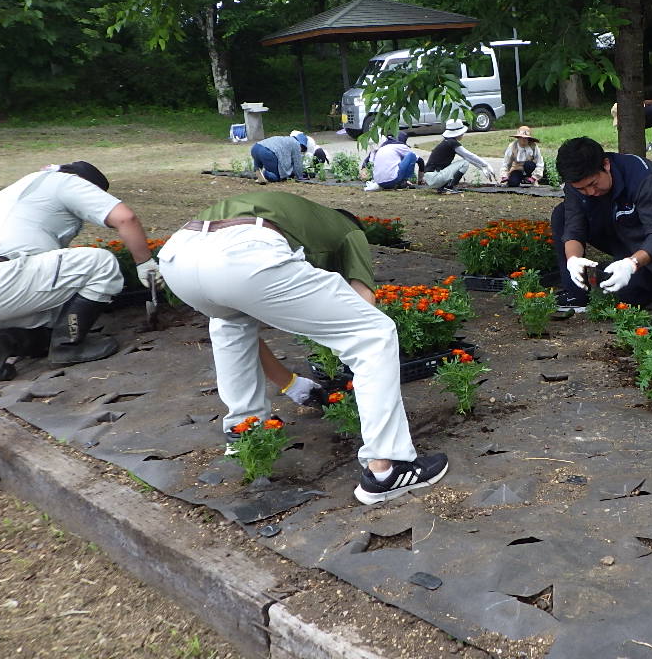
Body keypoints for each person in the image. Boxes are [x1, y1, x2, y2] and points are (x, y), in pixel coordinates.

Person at [156, 191, 448, 504]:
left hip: (177, 256)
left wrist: (291, 384)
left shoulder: (292, 215)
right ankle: (387, 470)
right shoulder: (349, 230)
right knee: (373, 333)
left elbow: (249, 320)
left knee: (231, 324)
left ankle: (245, 432)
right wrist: (356, 369)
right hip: (243, 251)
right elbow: (364, 304)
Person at [0, 161, 157, 381]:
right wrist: (145, 263)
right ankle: (68, 346)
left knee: (64, 311)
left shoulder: (20, 191)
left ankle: (0, 343)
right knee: (101, 262)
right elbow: (125, 218)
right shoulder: (68, 182)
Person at [552, 136, 652, 310]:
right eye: (582, 189)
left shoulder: (643, 176)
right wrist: (573, 260)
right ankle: (576, 291)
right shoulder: (576, 184)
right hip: (617, 229)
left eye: (593, 184)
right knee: (561, 214)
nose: (590, 192)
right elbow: (573, 227)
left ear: (606, 165)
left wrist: (631, 264)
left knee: (627, 295)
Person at [421, 119, 497, 193]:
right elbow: (469, 156)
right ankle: (449, 187)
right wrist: (486, 165)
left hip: (431, 177)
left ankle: (444, 187)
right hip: (434, 177)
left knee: (462, 162)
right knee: (464, 163)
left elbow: (468, 157)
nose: (463, 134)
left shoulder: (447, 142)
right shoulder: (452, 143)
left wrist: (482, 167)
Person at [250, 131, 319, 183]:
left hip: (255, 148)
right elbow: (297, 162)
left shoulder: (286, 139)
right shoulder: (296, 144)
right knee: (277, 177)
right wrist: (300, 177)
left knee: (258, 167)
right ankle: (264, 173)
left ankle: (258, 171)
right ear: (302, 144)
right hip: (267, 152)